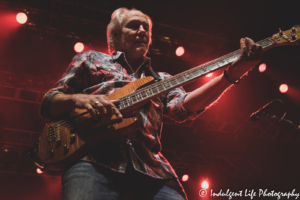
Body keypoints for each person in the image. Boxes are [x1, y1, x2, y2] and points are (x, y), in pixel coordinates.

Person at [40, 7, 262, 200]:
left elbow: (183, 108)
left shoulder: (163, 79)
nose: (142, 31)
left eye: (146, 28)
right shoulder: (91, 59)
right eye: (133, 26)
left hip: (152, 171)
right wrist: (81, 99)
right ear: (114, 37)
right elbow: (50, 101)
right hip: (92, 162)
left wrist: (230, 76)